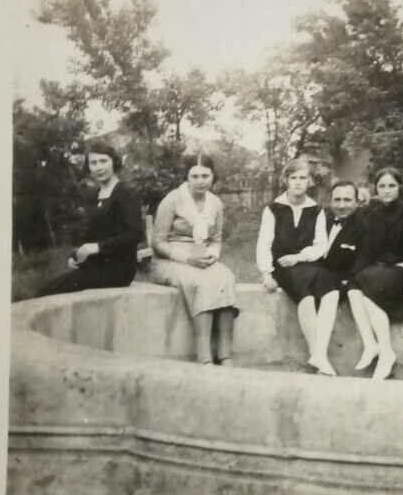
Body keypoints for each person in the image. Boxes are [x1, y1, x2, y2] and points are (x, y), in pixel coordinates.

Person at [148, 153, 239, 365]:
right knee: (201, 282)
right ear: (187, 177)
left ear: (213, 176)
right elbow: (158, 243)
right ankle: (204, 356)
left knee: (226, 278)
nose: (200, 181)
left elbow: (216, 240)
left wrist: (212, 255)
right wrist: (187, 259)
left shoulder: (215, 204)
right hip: (170, 259)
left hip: (201, 255)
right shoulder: (172, 200)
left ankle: (225, 355)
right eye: (194, 176)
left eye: (205, 176)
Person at [255, 158, 340, 375]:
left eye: (303, 178)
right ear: (286, 180)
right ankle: (320, 356)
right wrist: (266, 273)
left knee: (330, 287)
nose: (298, 183)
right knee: (307, 294)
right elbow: (264, 243)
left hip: (307, 261)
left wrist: (300, 257)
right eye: (294, 178)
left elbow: (321, 244)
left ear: (310, 181)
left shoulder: (316, 210)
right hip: (282, 264)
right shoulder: (273, 209)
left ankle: (318, 355)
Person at [349, 168, 403, 381]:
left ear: (399, 187)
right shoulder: (368, 213)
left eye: (391, 186)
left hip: (401, 271)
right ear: (376, 188)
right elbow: (364, 249)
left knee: (364, 288)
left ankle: (385, 352)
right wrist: (355, 273)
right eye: (382, 186)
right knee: (352, 290)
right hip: (376, 270)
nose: (386, 191)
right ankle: (373, 346)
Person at [36, 141, 143, 297]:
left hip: (119, 269)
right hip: (95, 265)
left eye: (103, 161)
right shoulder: (93, 195)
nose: (99, 167)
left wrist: (98, 247)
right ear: (89, 167)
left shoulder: (126, 193)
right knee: (48, 289)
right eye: (93, 163)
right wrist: (75, 256)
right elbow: (91, 236)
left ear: (114, 162)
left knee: (50, 291)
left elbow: (134, 234)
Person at [316, 179, 379, 372]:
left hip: (345, 281)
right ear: (330, 201)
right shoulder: (322, 218)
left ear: (357, 202)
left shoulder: (365, 224)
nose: (341, 205)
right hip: (319, 277)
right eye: (337, 200)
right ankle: (318, 356)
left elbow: (363, 260)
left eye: (347, 200)